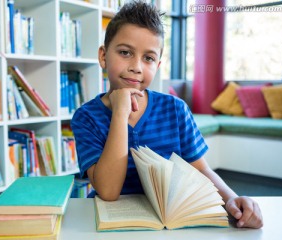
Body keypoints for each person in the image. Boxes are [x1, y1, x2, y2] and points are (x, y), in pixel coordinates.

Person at [71, 0, 263, 229]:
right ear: (103, 56)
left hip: (168, 223)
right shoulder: (85, 117)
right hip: (109, 225)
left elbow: (201, 169)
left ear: (158, 64)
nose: (137, 67)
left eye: (148, 58)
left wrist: (232, 197)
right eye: (125, 52)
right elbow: (109, 191)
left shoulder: (176, 109)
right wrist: (120, 114)